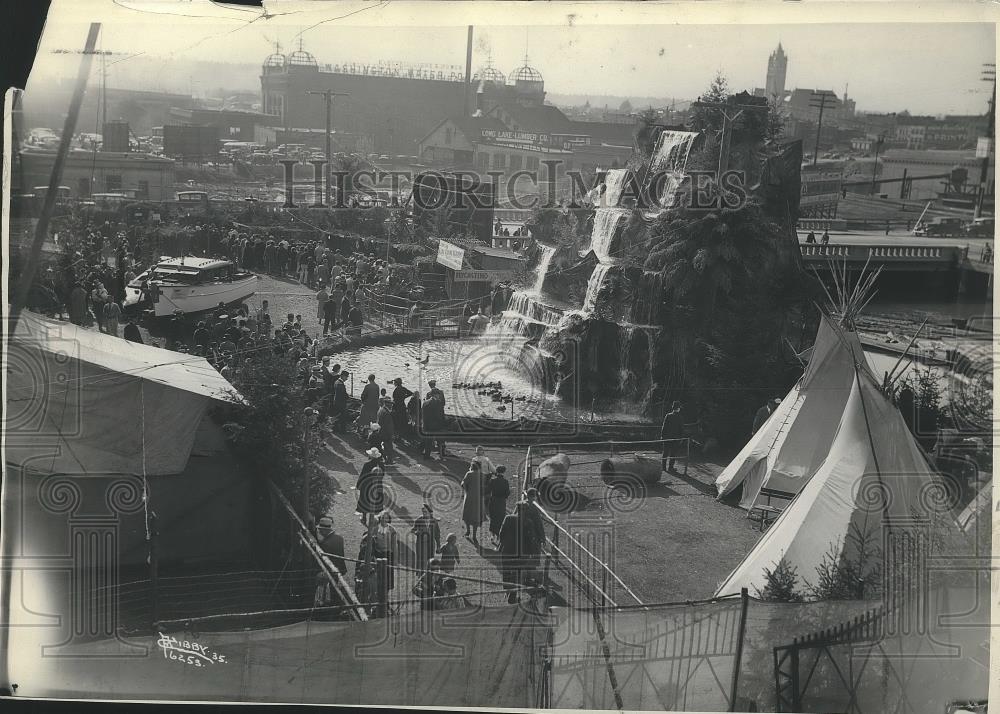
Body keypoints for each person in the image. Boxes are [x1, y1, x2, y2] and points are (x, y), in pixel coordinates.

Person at [355, 449, 385, 526]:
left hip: (366, 486)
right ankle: (375, 519)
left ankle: (364, 518)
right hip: (377, 485)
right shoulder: (381, 465)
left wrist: (358, 485)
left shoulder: (367, 464)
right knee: (376, 502)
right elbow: (382, 475)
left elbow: (362, 475)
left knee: (365, 501)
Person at [485, 466, 511, 545]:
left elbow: (488, 490)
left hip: (493, 501)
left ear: (497, 471)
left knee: (493, 518)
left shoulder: (492, 480)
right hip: (501, 502)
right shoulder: (505, 482)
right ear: (504, 472)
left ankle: (492, 536)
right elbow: (507, 493)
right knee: (500, 519)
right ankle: (499, 536)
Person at [411, 503, 441, 571]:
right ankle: (421, 576)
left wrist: (439, 546)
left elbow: (437, 534)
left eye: (425, 512)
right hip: (421, 544)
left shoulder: (434, 521)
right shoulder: (419, 520)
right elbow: (413, 530)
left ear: (430, 512)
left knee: (430, 559)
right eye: (423, 512)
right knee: (421, 559)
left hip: (430, 544)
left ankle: (430, 575)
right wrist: (417, 532)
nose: (424, 513)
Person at [461, 461, 485, 542]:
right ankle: (474, 535)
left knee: (467, 514)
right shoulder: (482, 475)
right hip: (479, 498)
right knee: (476, 516)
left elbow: (463, 483)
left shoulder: (469, 474)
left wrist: (466, 491)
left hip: (469, 496)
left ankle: (468, 531)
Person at [660, 400, 685, 473]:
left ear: (673, 408)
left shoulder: (668, 415)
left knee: (665, 452)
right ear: (678, 408)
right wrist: (681, 438)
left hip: (667, 437)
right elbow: (681, 430)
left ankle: (663, 467)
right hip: (675, 438)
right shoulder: (680, 417)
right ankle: (670, 467)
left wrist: (662, 436)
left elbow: (664, 427)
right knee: (673, 453)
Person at [376, 396, 396, 465]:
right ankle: (389, 460)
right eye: (391, 404)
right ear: (388, 404)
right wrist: (392, 434)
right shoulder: (387, 413)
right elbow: (389, 425)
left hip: (381, 431)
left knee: (383, 446)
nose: (392, 405)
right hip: (386, 432)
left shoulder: (381, 410)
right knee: (389, 447)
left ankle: (383, 459)